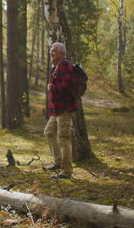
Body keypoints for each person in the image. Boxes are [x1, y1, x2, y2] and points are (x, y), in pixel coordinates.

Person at [44, 42, 78, 179]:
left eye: (54, 51)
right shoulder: (55, 67)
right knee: (49, 132)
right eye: (51, 51)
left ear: (61, 53)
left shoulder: (65, 65)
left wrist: (53, 87)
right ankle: (58, 162)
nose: (51, 53)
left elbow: (67, 85)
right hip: (56, 110)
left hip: (64, 109)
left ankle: (67, 171)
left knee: (64, 138)